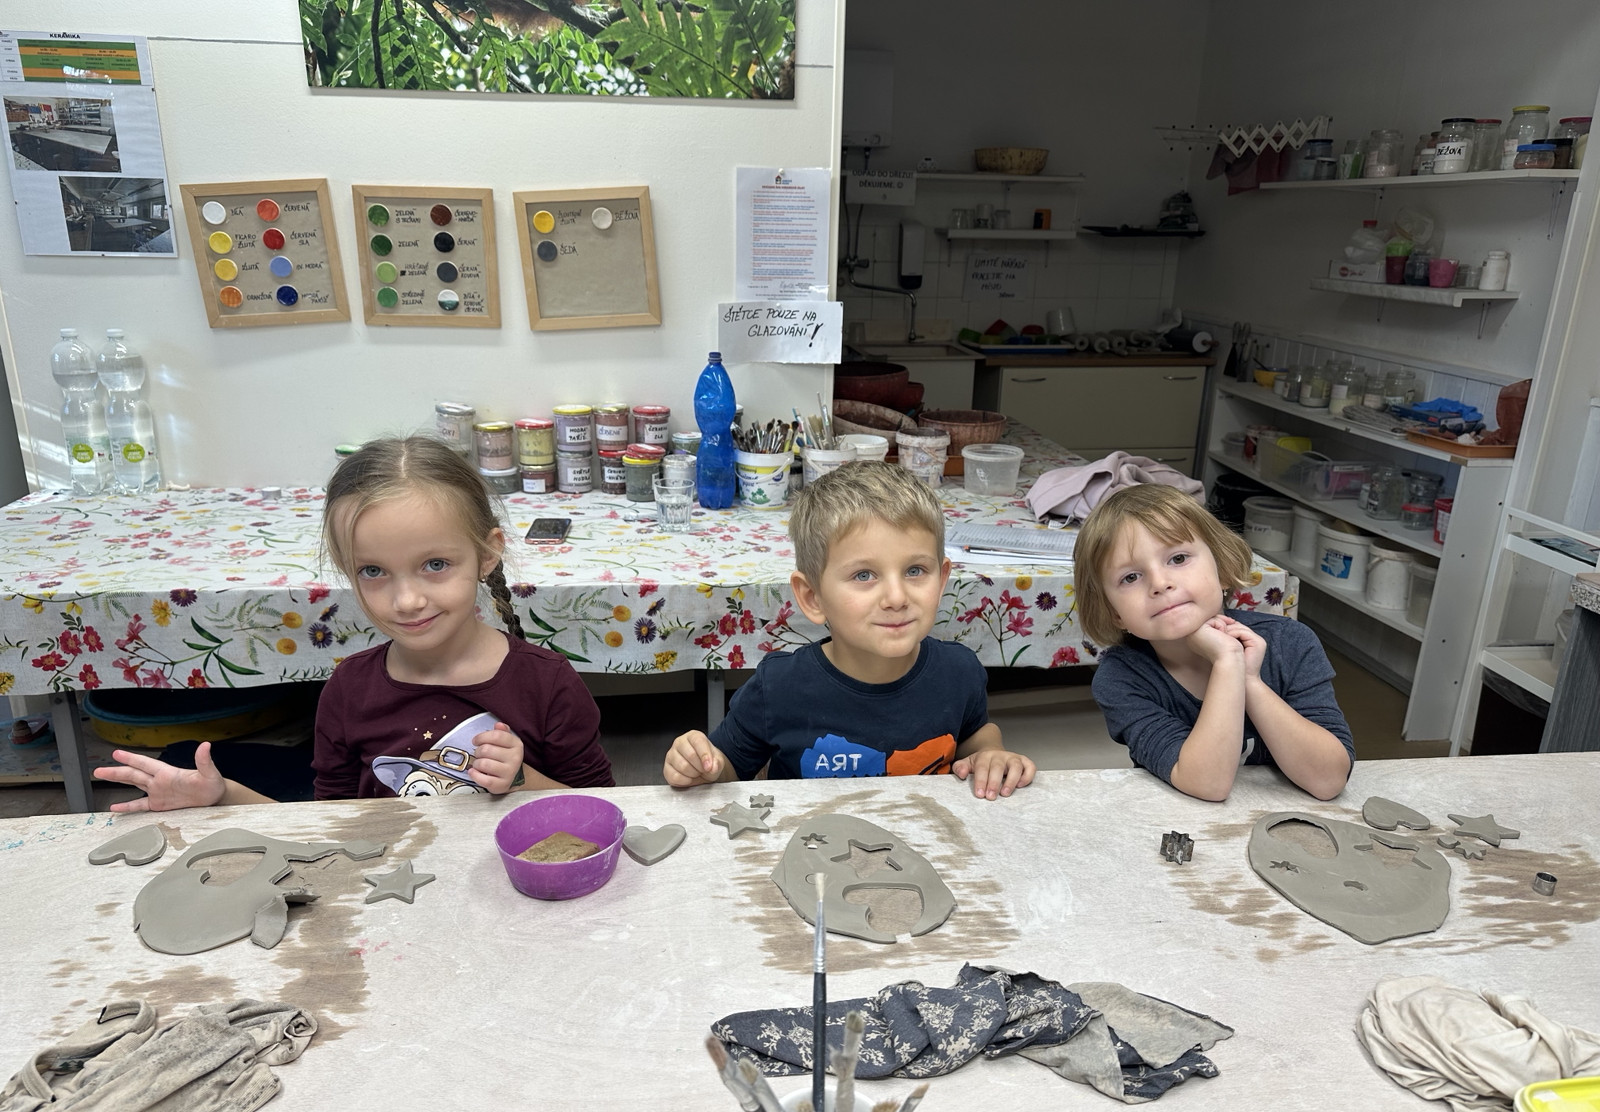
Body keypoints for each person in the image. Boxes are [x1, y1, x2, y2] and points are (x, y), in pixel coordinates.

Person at [97, 437, 613, 810]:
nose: (407, 600)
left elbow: (606, 813)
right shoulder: (349, 690)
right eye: (373, 571)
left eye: (435, 564)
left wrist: (522, 780)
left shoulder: (547, 684)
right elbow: (332, 825)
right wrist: (223, 796)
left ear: (487, 553)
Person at [663, 460, 1035, 800]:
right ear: (812, 597)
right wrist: (702, 767)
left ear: (941, 580)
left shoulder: (960, 672)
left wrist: (991, 754)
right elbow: (727, 768)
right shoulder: (777, 688)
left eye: (915, 570)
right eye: (863, 575)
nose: (896, 597)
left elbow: (975, 733)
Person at [1075, 484, 1353, 802]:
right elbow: (1207, 785)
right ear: (1115, 613)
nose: (1160, 583)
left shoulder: (1290, 643)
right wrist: (1228, 662)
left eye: (1178, 558)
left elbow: (1328, 780)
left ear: (1221, 569)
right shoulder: (1121, 678)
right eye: (1131, 577)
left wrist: (1249, 681)